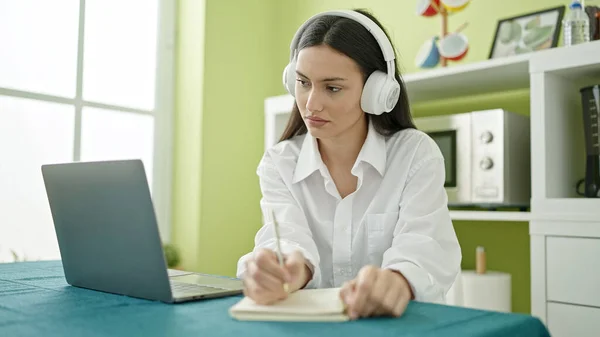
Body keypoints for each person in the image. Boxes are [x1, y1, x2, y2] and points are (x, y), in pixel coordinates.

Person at [236, 8, 461, 320]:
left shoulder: (415, 154)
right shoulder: (279, 163)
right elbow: (288, 236)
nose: (311, 104)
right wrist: (282, 270)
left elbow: (425, 247)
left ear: (376, 92)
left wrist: (397, 281)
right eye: (303, 82)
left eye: (332, 88)